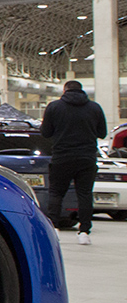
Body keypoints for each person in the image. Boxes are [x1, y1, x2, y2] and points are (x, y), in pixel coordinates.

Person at [40, 79, 108, 245]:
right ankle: (84, 232)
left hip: (62, 156)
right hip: (87, 158)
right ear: (81, 91)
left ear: (65, 91)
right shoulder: (95, 108)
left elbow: (45, 133)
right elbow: (103, 133)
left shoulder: (54, 107)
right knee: (84, 194)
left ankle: (54, 228)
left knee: (56, 193)